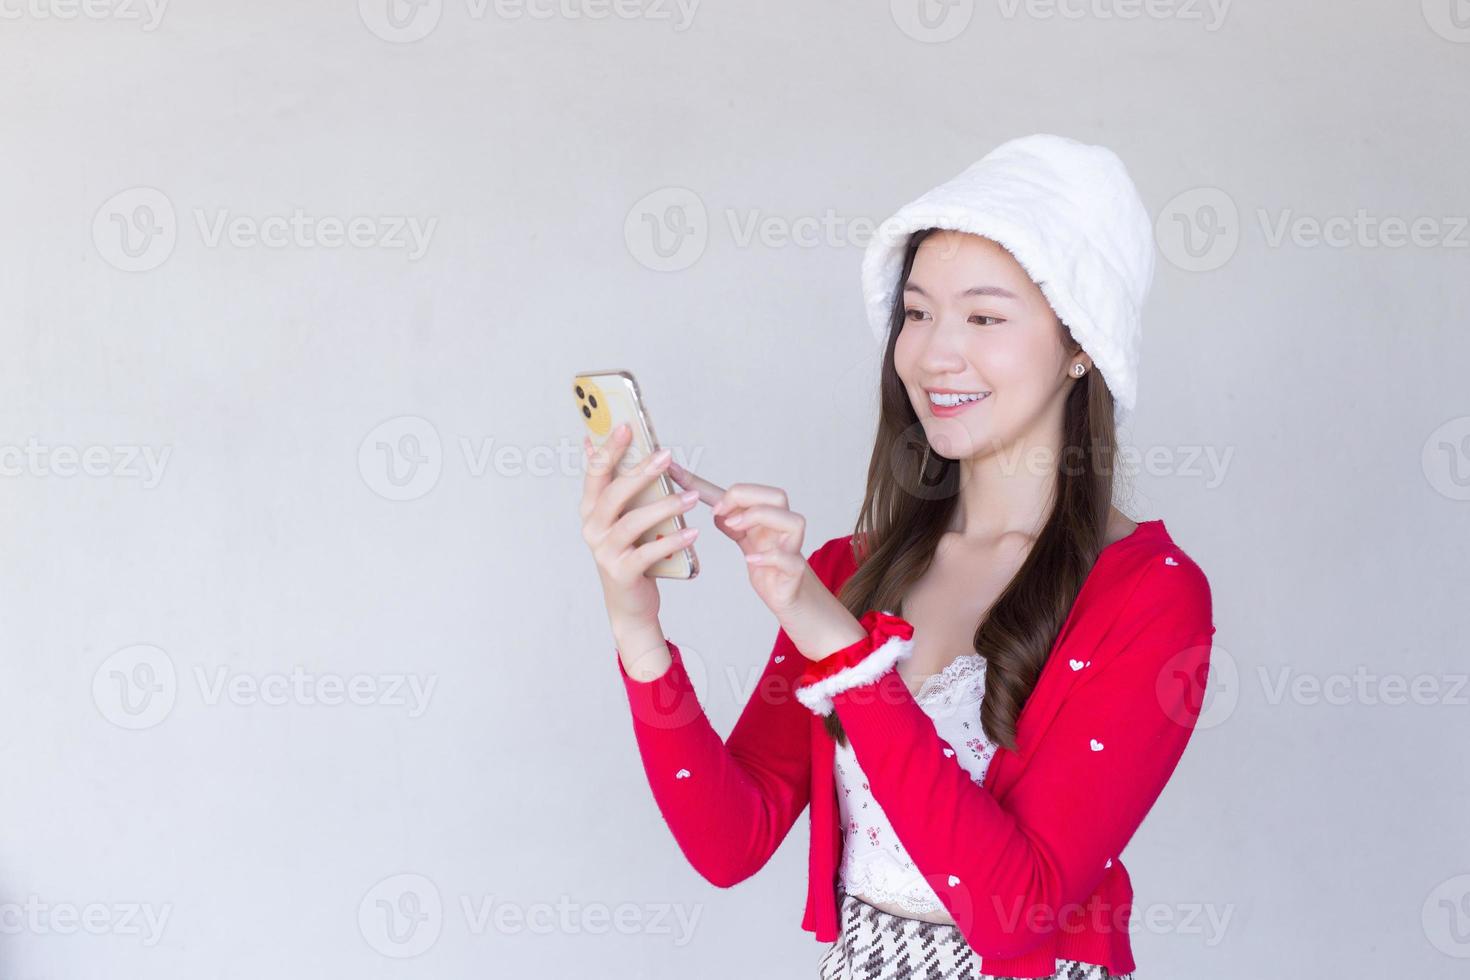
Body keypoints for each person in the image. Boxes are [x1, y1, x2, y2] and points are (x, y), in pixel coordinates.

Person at [578, 134, 1216, 979]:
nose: (933, 354)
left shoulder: (1149, 597)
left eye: (984, 317)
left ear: (1080, 344)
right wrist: (637, 625)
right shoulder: (852, 569)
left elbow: (1011, 911)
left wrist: (839, 648)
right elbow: (729, 843)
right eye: (917, 313)